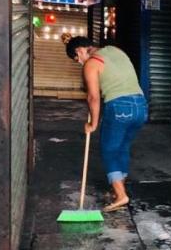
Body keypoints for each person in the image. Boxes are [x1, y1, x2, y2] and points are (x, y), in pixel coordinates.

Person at [62, 34, 147, 212]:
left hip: (120, 107)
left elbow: (93, 97)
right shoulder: (115, 50)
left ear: (80, 50)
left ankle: (121, 195)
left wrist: (92, 124)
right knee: (122, 147)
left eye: (77, 58)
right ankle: (118, 189)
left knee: (108, 150)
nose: (79, 62)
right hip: (141, 106)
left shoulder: (91, 63)